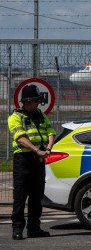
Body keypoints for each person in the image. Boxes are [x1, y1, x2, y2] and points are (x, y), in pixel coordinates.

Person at [8, 84, 56, 240]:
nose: (37, 103)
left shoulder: (41, 115)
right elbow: (20, 138)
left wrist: (47, 149)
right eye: (35, 101)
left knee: (36, 196)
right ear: (27, 102)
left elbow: (50, 132)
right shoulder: (16, 117)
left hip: (39, 159)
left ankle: (34, 228)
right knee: (20, 196)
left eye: (37, 101)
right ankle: (17, 229)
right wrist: (37, 150)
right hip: (23, 159)